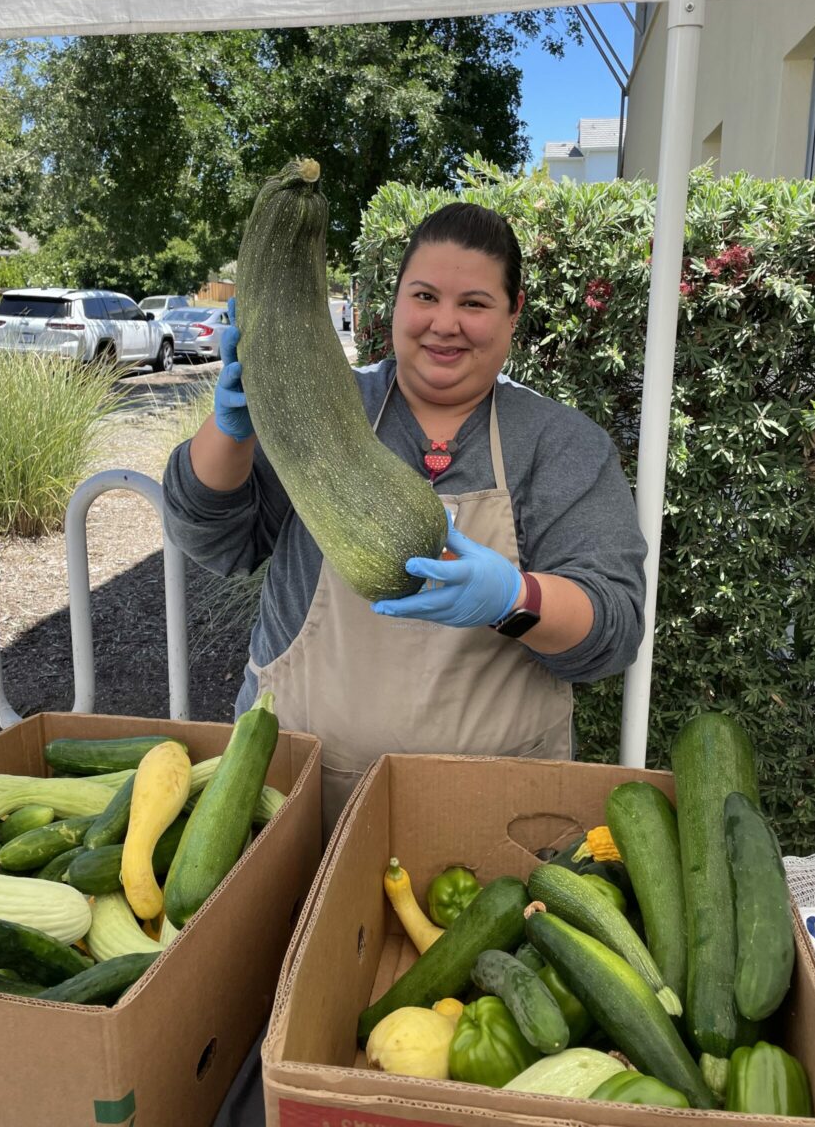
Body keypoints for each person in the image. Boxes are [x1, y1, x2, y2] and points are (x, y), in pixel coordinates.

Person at [163, 202, 647, 834]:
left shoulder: (559, 443)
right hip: (296, 792)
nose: (445, 324)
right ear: (395, 303)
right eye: (424, 296)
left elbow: (613, 628)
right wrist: (231, 429)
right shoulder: (323, 404)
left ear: (512, 313)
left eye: (474, 303)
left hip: (492, 810)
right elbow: (214, 539)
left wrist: (513, 597)